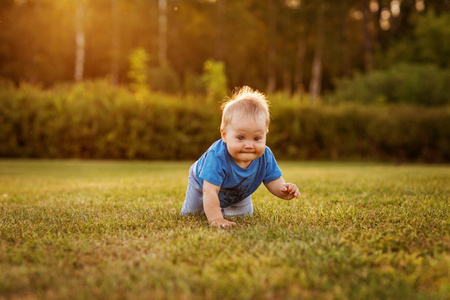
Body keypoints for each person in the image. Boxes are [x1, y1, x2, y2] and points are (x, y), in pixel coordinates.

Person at [181, 86, 300, 228]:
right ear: (224, 135)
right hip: (202, 184)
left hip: (239, 189)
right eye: (241, 137)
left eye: (257, 138)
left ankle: (228, 207)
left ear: (265, 134)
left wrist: (283, 190)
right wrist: (216, 219)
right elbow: (210, 190)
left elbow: (273, 179)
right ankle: (211, 211)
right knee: (193, 214)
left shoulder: (265, 156)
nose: (249, 145)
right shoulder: (217, 156)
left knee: (243, 216)